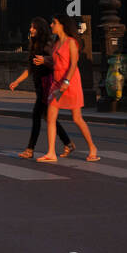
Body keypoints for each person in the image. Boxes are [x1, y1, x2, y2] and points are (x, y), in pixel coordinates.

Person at [36, 14, 99, 163]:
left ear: (62, 25)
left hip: (70, 83)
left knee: (76, 118)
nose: (51, 25)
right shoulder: (56, 43)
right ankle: (51, 152)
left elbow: (73, 64)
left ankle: (92, 147)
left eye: (54, 23)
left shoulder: (71, 42)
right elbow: (56, 62)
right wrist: (44, 60)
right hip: (57, 83)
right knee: (50, 117)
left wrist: (66, 81)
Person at [10, 17, 74, 159]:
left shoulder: (48, 44)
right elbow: (30, 68)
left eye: (34, 27)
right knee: (48, 117)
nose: (31, 29)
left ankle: (30, 149)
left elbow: (57, 63)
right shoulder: (34, 44)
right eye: (31, 27)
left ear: (40, 29)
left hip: (47, 84)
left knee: (37, 115)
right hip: (39, 84)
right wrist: (17, 81)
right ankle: (68, 143)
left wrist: (45, 60)